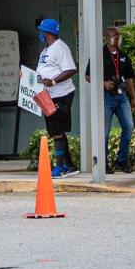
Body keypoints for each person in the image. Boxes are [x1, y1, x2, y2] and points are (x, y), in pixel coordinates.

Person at [85, 26, 135, 174]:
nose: (118, 37)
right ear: (108, 38)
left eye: (119, 35)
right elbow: (88, 76)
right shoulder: (99, 55)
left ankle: (121, 160)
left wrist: (133, 97)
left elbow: (129, 78)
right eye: (116, 35)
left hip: (122, 96)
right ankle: (104, 163)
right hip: (106, 97)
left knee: (128, 126)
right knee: (105, 132)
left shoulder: (123, 55)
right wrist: (103, 83)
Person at [36, 18, 79, 178]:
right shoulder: (46, 49)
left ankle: (60, 167)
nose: (40, 33)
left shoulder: (60, 48)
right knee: (55, 130)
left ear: (47, 32)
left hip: (61, 94)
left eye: (42, 30)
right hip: (48, 95)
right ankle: (69, 166)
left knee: (57, 131)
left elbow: (70, 69)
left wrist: (53, 81)